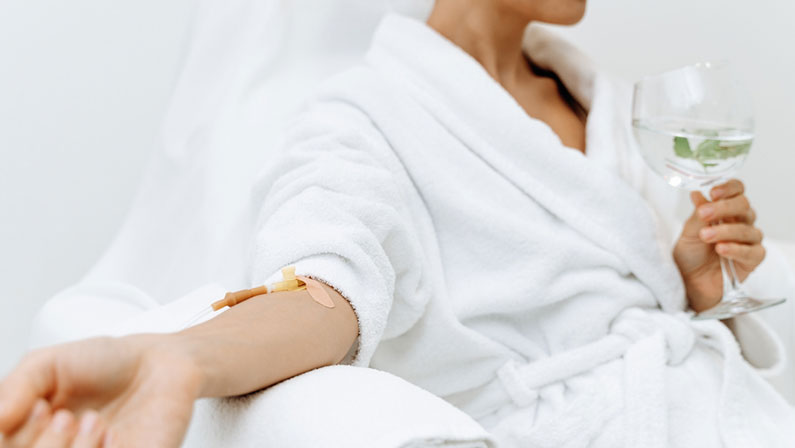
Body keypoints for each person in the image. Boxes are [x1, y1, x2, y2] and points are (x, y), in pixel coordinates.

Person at [1, 0, 792, 446]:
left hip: (724, 406)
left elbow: (625, 286)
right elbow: (324, 287)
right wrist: (176, 361)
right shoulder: (366, 115)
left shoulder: (607, 97)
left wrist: (687, 283)